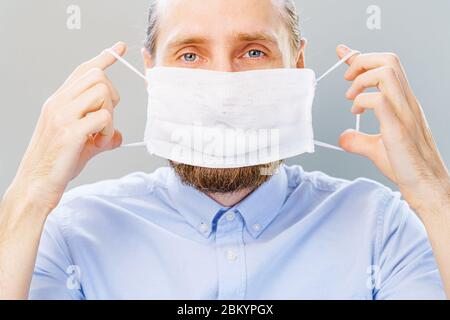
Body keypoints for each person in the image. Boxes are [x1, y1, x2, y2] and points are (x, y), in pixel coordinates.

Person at [0, 0, 449, 300]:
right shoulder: (68, 234)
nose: (224, 88)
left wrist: (433, 192)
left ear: (298, 66)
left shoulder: (383, 231)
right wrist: (29, 194)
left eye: (253, 53)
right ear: (150, 71)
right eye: (190, 56)